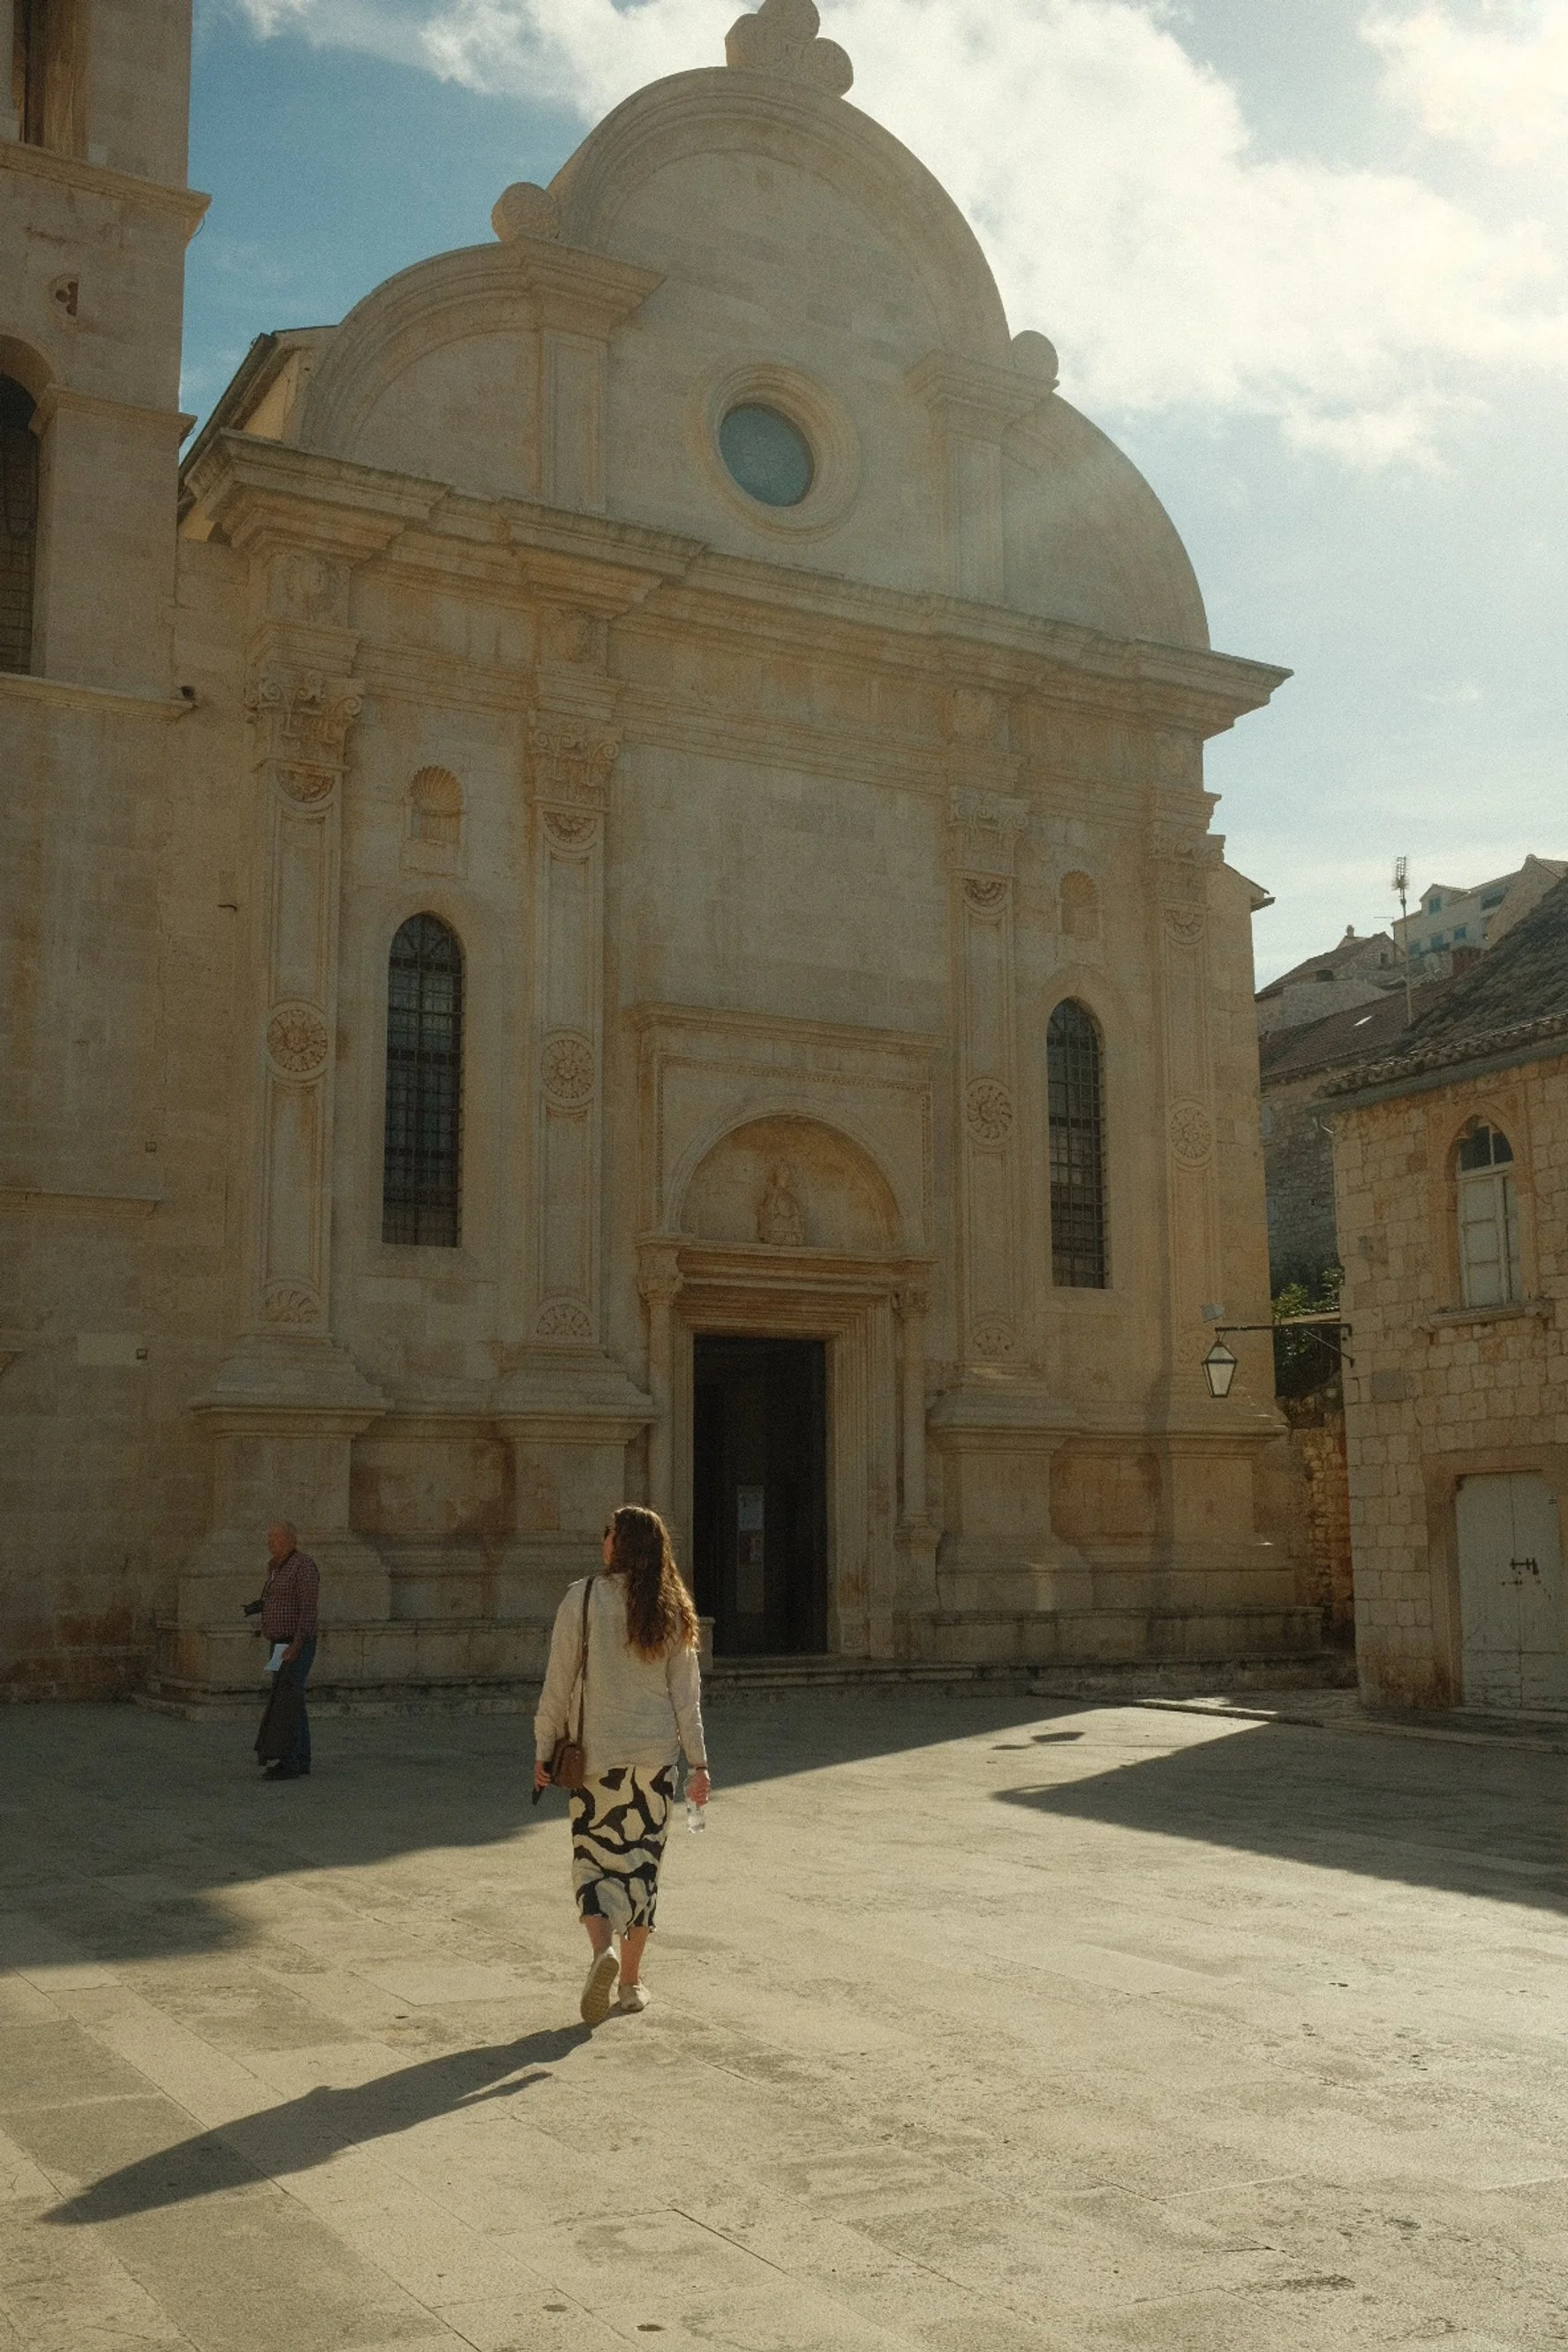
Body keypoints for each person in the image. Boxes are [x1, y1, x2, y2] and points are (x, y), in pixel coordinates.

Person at [533, 1505, 710, 2024]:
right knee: (641, 1869)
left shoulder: (582, 1598)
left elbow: (558, 1681)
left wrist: (543, 1748)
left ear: (621, 1544)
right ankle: (630, 1985)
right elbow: (687, 1698)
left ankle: (600, 1955)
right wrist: (699, 1764)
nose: (603, 1540)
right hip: (655, 1763)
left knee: (593, 1862)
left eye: (608, 1532)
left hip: (595, 1761)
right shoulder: (674, 1607)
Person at [254, 1522, 319, 1781]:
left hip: (295, 1644)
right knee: (291, 1701)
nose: (271, 1542)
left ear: (291, 1540)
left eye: (276, 1538)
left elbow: (308, 1607)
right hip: (279, 1643)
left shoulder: (303, 1566)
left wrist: (297, 1644)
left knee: (288, 1702)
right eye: (269, 1538)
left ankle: (290, 1760)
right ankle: (301, 1758)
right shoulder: (274, 1567)